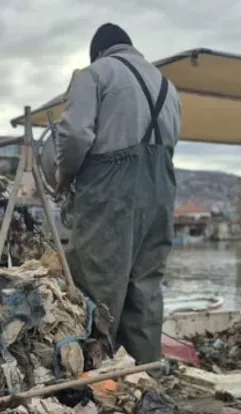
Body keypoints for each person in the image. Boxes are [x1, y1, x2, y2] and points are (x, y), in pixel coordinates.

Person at [55, 23, 181, 364]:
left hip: (111, 188)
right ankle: (144, 374)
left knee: (96, 284)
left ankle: (93, 377)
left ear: (99, 52)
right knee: (145, 290)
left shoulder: (94, 74)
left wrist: (64, 179)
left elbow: (74, 135)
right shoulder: (167, 86)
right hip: (161, 189)